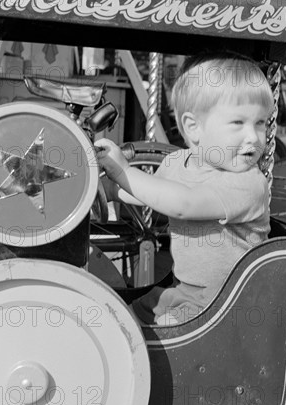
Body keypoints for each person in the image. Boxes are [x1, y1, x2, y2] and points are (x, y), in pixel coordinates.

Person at [95, 52, 274, 325]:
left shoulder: (248, 183)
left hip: (228, 303)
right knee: (123, 314)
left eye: (260, 123)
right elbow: (150, 194)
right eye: (238, 123)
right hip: (186, 291)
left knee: (166, 328)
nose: (253, 137)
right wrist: (108, 189)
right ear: (194, 128)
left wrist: (123, 171)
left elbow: (184, 204)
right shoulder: (178, 162)